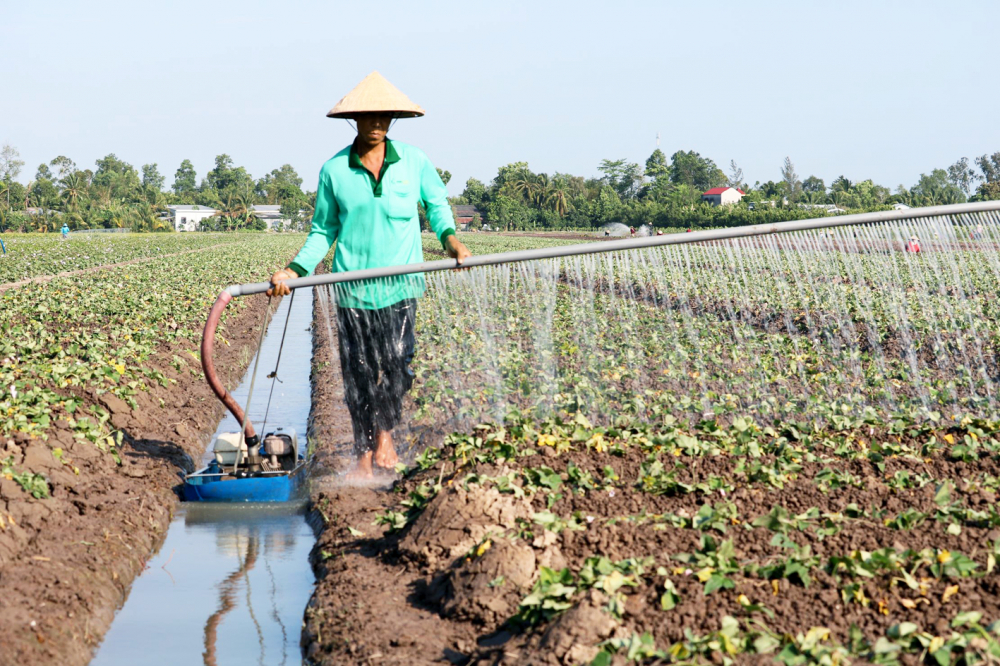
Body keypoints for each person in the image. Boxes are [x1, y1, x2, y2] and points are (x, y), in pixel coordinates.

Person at [267, 72, 471, 478]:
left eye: (384, 117)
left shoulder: (413, 161)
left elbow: (437, 208)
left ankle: (385, 436)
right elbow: (323, 230)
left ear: (393, 119)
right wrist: (292, 269)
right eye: (368, 117)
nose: (376, 124)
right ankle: (362, 454)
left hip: (401, 285)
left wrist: (453, 243)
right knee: (358, 374)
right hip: (352, 290)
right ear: (354, 120)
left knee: (397, 363)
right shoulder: (334, 170)